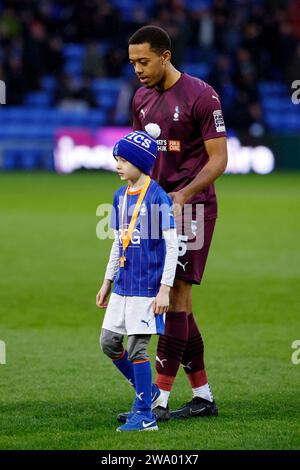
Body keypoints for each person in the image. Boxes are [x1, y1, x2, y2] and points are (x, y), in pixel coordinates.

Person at [118, 25, 228, 422]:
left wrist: (182, 195)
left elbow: (219, 160)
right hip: (154, 211)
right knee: (178, 304)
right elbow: (139, 157)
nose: (138, 70)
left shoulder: (201, 95)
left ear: (165, 56)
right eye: (132, 63)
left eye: (144, 61)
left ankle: (156, 401)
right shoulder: (141, 98)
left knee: (175, 297)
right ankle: (202, 396)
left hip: (191, 208)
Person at [96, 125, 178, 432]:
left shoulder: (157, 198)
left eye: (123, 160)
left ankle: (145, 414)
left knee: (137, 349)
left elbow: (172, 246)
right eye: (117, 159)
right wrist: (107, 281)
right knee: (108, 342)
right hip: (123, 284)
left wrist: (165, 289)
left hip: (147, 287)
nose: (117, 165)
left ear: (140, 163)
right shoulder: (120, 196)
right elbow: (119, 241)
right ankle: (150, 393)